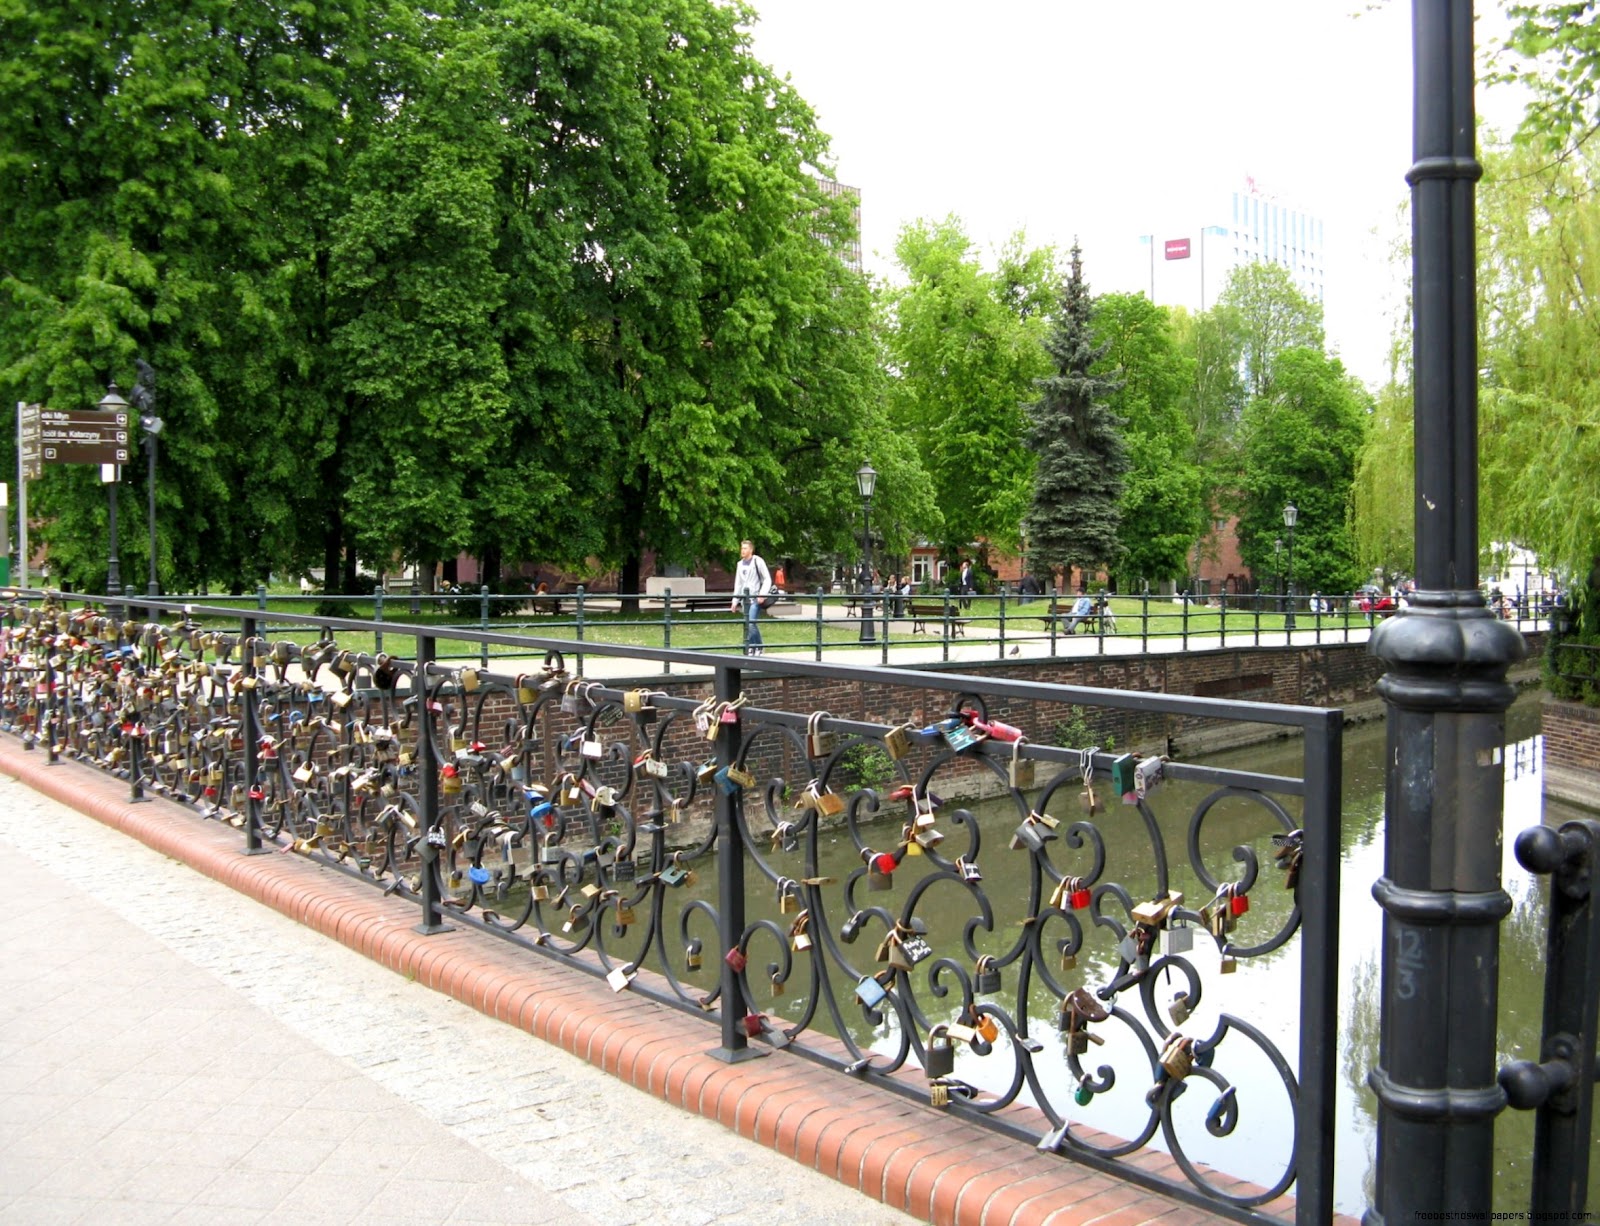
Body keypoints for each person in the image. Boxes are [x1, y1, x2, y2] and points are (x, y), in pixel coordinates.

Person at [731, 539, 773, 655]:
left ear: (750, 550)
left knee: (751, 622)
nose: (742, 551)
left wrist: (762, 594)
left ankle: (756, 646)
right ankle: (754, 646)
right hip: (745, 599)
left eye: (745, 548)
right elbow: (738, 583)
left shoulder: (757, 561)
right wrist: (735, 600)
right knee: (748, 623)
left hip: (755, 597)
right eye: (741, 548)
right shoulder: (740, 564)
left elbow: (767, 579)